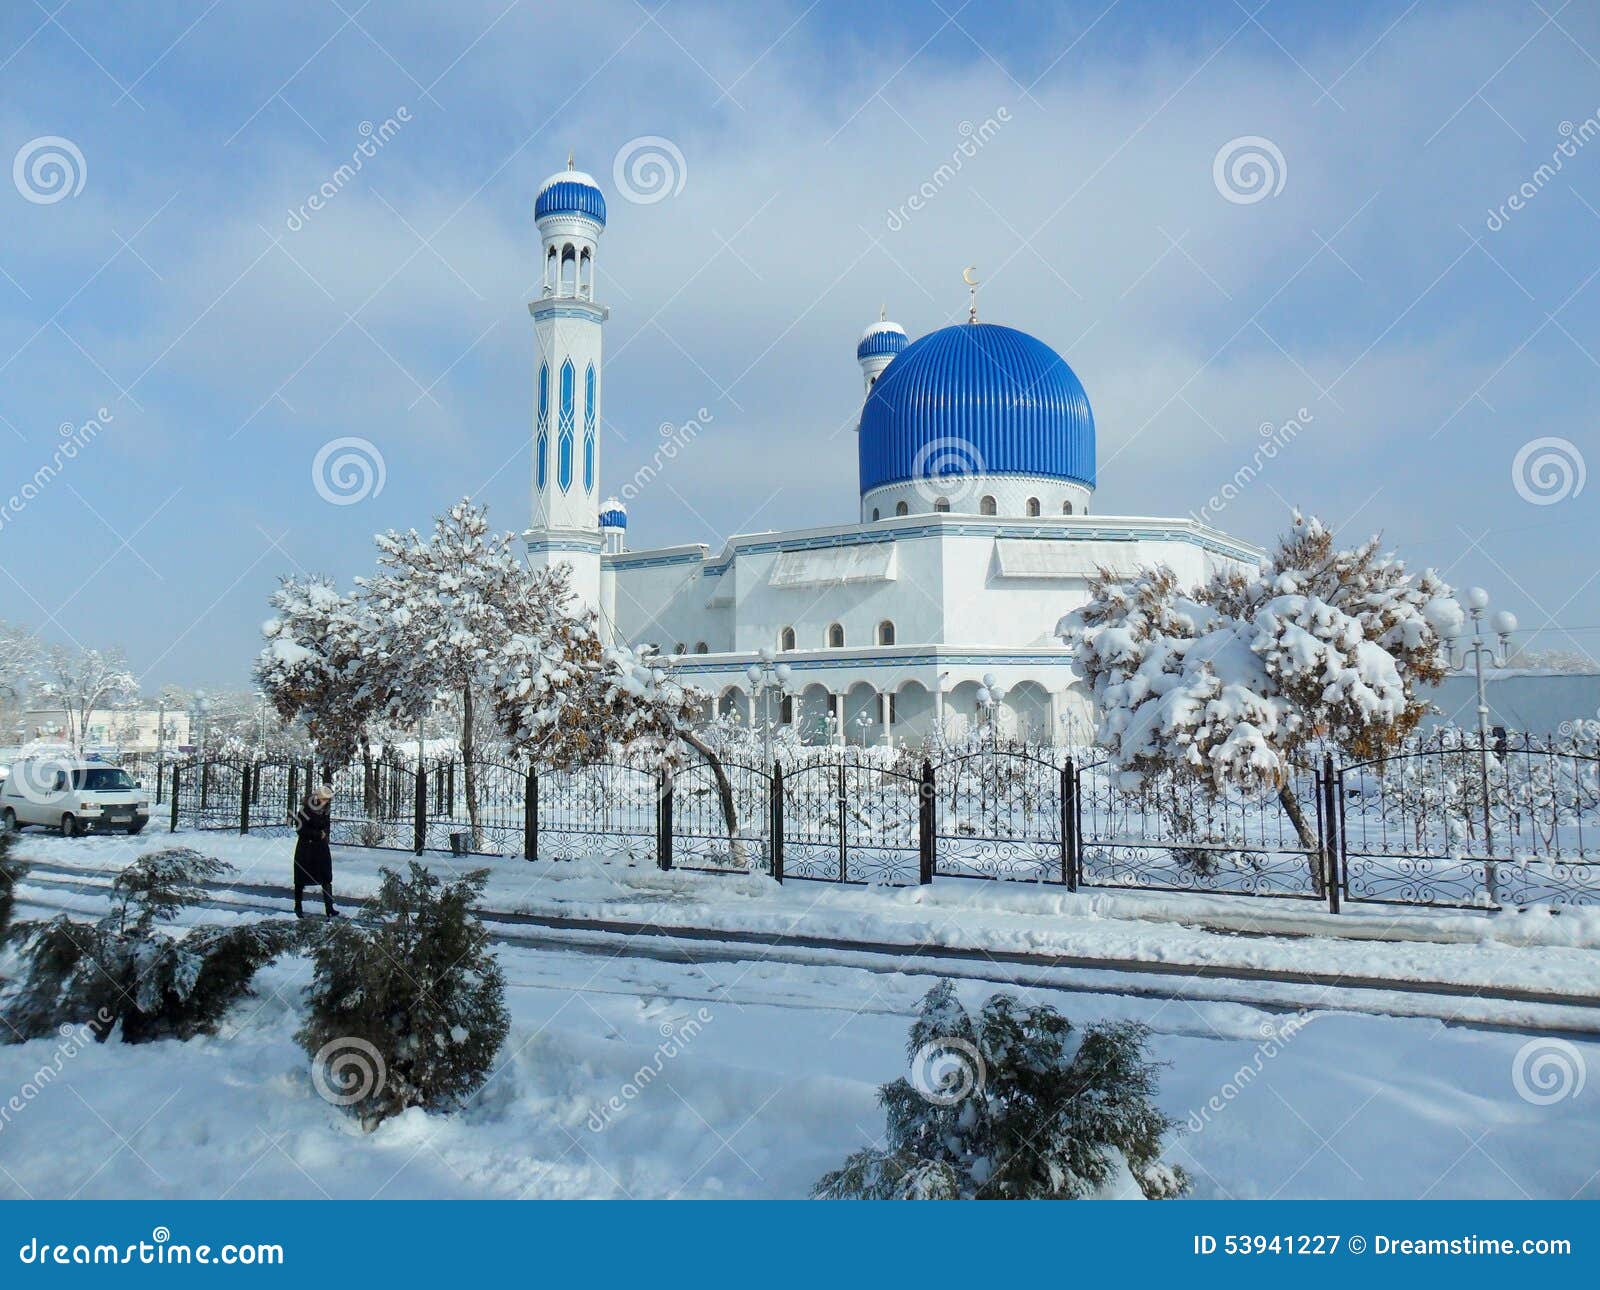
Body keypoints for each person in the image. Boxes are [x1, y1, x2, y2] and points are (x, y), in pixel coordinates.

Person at [292, 785, 340, 919]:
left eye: (328, 799)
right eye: (324, 799)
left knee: (326, 877)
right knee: (300, 879)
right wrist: (318, 834)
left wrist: (324, 835)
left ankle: (329, 907)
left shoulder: (325, 809)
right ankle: (298, 906)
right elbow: (300, 829)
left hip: (321, 848)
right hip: (306, 848)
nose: (326, 802)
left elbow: (326, 825)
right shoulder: (305, 809)